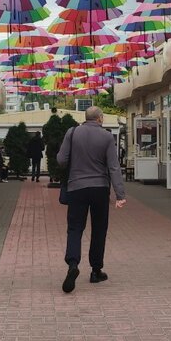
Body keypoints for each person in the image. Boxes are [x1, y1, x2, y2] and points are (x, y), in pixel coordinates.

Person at [57, 106, 126, 293]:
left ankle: (72, 264)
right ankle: (96, 271)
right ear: (100, 119)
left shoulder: (72, 133)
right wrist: (120, 194)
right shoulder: (106, 137)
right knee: (99, 228)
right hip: (100, 189)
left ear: (86, 118)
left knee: (75, 228)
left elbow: (61, 160)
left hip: (77, 188)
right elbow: (113, 167)